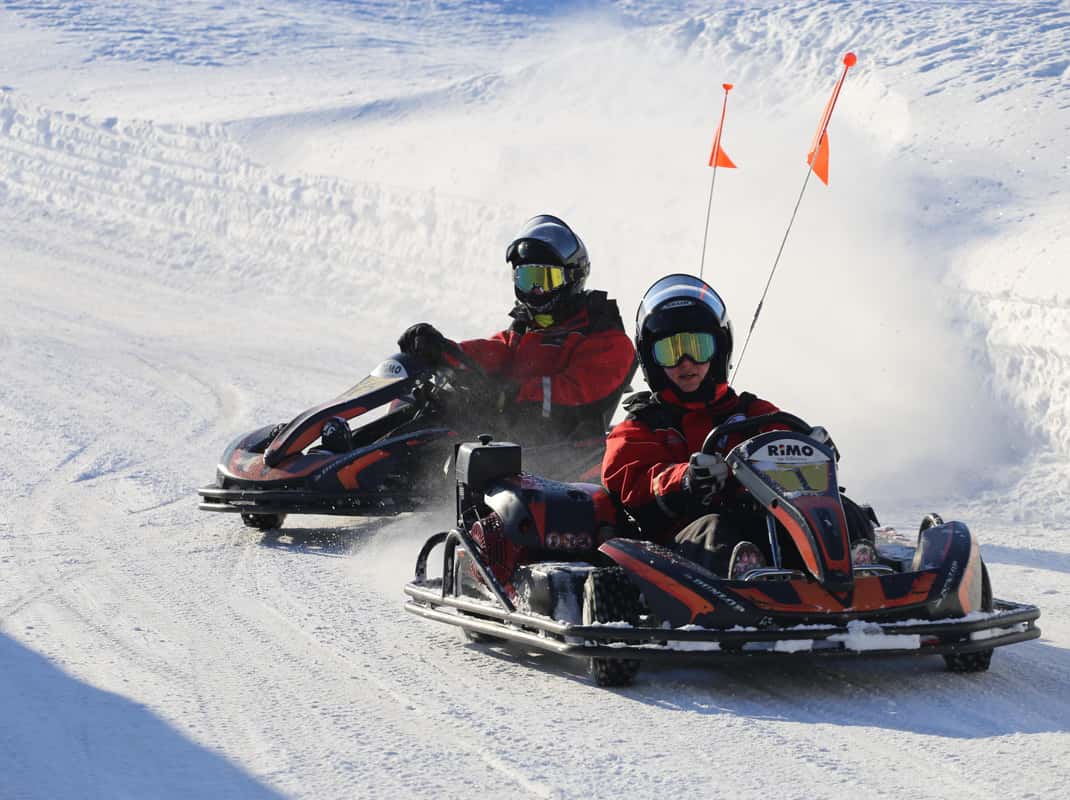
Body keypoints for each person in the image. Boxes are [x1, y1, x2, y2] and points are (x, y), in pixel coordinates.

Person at [601, 273, 876, 579]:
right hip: (683, 542)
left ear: (718, 350)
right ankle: (747, 578)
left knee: (846, 511)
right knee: (714, 531)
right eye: (671, 351)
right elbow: (629, 481)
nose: (686, 362)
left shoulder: (751, 412)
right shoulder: (642, 426)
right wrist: (687, 479)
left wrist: (811, 447)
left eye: (698, 347)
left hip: (763, 521)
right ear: (652, 361)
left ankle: (859, 568)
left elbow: (781, 438)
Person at [397, 214, 637, 458]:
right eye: (526, 279)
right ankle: (363, 463)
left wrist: (507, 395)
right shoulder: (526, 329)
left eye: (545, 279)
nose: (535, 290)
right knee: (417, 407)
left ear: (573, 276)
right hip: (504, 443)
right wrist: (443, 350)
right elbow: (494, 353)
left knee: (444, 441)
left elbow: (574, 394)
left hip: (554, 461)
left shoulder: (606, 339)